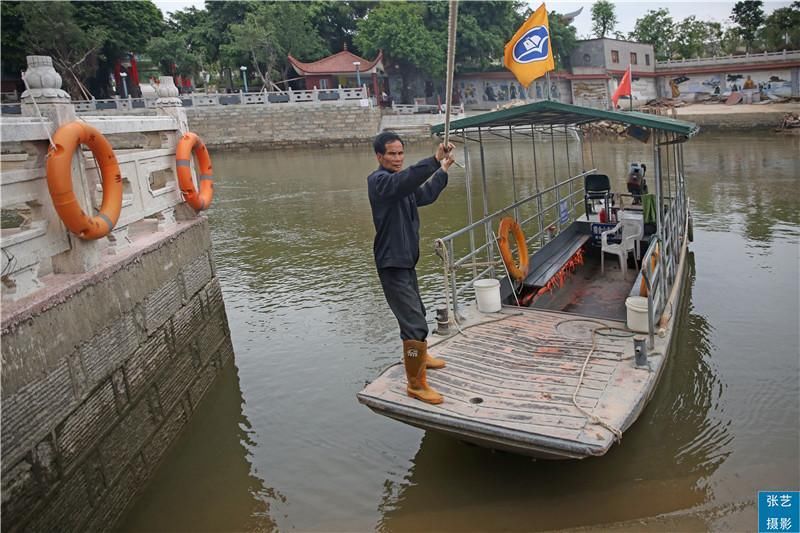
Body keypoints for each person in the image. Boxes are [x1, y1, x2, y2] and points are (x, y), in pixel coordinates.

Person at [367, 132, 455, 405]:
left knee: (418, 312)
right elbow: (405, 181)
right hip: (392, 265)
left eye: (400, 153)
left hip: (406, 262)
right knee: (413, 323)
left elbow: (424, 194)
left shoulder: (401, 186)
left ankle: (421, 356)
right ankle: (415, 384)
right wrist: (432, 159)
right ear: (379, 157)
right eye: (391, 154)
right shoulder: (380, 182)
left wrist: (441, 170)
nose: (397, 158)